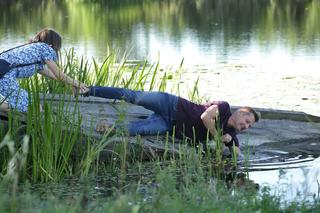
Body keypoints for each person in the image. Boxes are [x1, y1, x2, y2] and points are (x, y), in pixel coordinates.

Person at [85, 86, 260, 156]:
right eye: (246, 120)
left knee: (139, 130)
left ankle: (109, 127)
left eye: (249, 125)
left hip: (169, 125)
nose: (246, 126)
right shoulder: (224, 107)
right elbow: (205, 117)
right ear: (241, 112)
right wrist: (217, 136)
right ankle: (88, 90)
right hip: (172, 104)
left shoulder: (231, 135)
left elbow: (238, 154)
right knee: (133, 96)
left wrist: (233, 147)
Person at [0, 28, 88, 113]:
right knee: (35, 108)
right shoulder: (46, 48)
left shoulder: (33, 51)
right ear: (54, 44)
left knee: (31, 107)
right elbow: (60, 75)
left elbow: (54, 76)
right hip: (4, 75)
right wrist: (78, 83)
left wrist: (72, 84)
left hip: (3, 73)